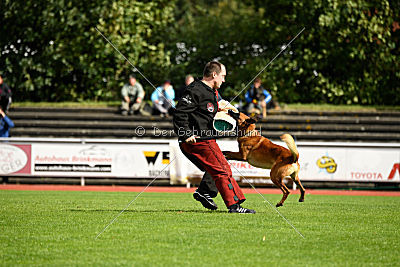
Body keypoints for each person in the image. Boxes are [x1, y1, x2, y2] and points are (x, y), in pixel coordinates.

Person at [173, 61, 255, 213]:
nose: (224, 80)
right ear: (214, 75)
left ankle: (205, 192)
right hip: (198, 140)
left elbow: (220, 105)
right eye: (223, 76)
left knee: (216, 167)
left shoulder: (213, 92)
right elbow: (179, 113)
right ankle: (234, 206)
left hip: (204, 139)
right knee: (223, 169)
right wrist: (186, 133)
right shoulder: (195, 90)